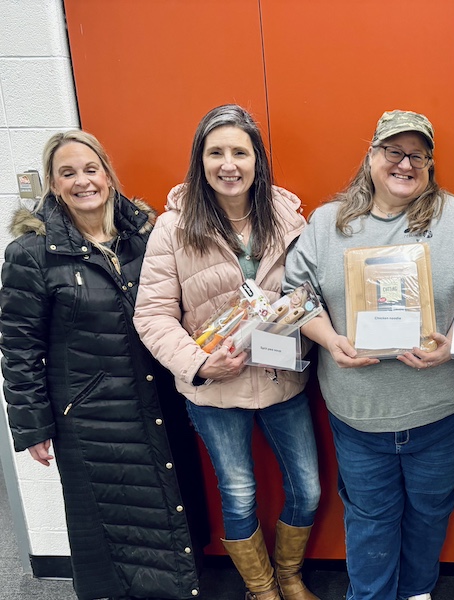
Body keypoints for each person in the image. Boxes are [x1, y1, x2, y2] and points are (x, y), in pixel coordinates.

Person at [284, 109, 454, 600]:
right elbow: (296, 296)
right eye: (393, 152)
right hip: (359, 416)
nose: (405, 163)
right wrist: (329, 339)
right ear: (371, 155)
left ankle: (418, 592)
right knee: (370, 522)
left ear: (430, 164)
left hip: (444, 410)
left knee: (429, 515)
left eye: (418, 155)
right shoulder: (327, 223)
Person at [0, 130, 206, 600]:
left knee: (168, 511)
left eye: (90, 169)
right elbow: (19, 345)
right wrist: (34, 425)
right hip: (90, 418)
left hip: (158, 399)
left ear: (108, 176)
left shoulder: (144, 236)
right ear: (53, 185)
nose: (82, 181)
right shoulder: (32, 254)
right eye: (67, 173)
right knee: (113, 526)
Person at [133, 104, 321, 600]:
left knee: (309, 490)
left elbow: (314, 294)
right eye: (216, 152)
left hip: (284, 381)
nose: (228, 164)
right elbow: (151, 315)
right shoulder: (173, 229)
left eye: (240, 151)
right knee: (239, 496)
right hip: (216, 390)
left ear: (257, 159)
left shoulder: (290, 220)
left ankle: (289, 575)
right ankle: (261, 590)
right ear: (200, 161)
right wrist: (198, 364)